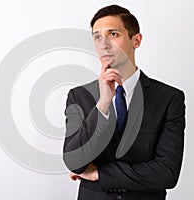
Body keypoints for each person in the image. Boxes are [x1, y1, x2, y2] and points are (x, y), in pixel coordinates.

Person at [63, 4, 186, 200]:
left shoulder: (169, 98)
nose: (104, 44)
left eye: (113, 34)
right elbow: (75, 162)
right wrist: (103, 104)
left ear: (136, 40)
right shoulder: (79, 96)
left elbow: (167, 173)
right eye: (97, 36)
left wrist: (100, 174)